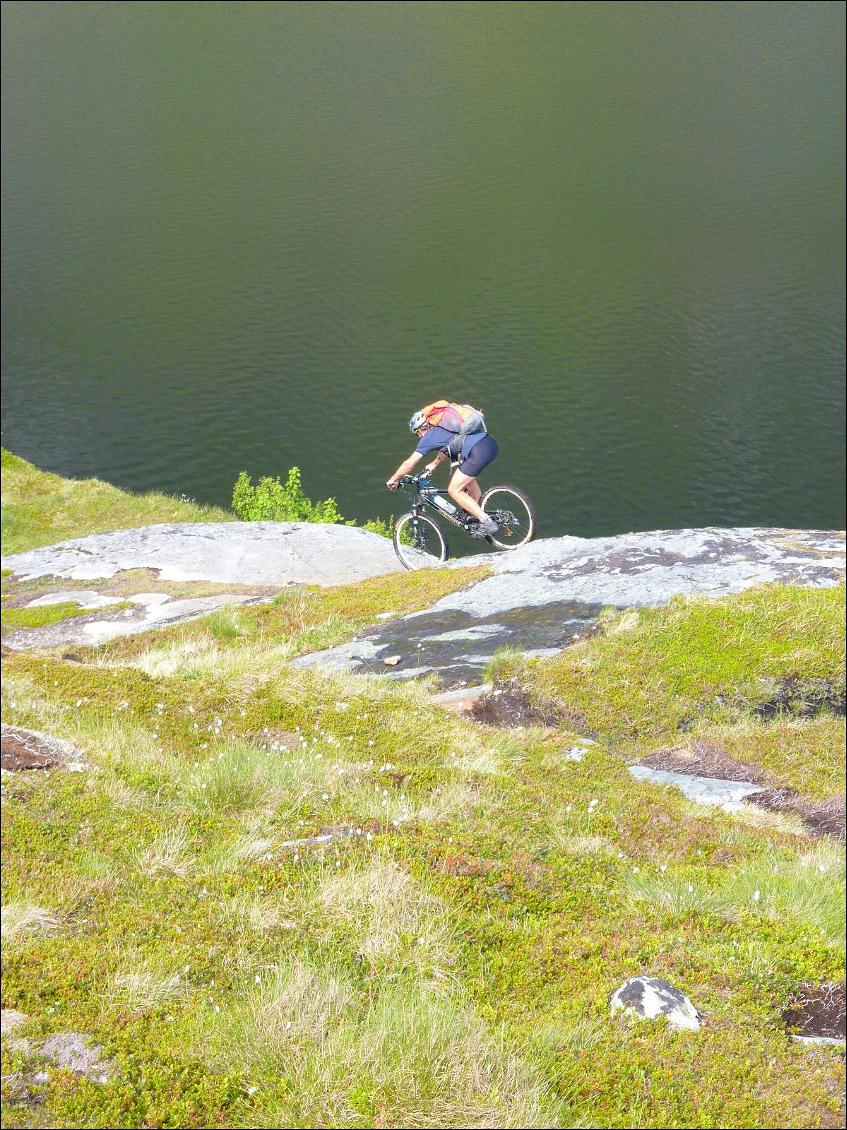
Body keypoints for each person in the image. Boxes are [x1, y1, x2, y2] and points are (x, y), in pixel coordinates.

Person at [386, 406, 500, 538]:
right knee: (466, 485)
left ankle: (487, 522)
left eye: (417, 433)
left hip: (477, 452)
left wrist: (394, 478)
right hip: (488, 445)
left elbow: (409, 464)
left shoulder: (429, 436)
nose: (419, 437)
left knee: (454, 490)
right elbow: (449, 447)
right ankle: (474, 518)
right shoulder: (445, 428)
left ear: (423, 427)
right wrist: (434, 463)